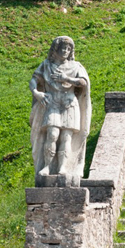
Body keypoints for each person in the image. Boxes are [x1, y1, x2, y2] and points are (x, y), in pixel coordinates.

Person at [29, 36, 91, 185]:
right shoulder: (46, 65)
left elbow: (83, 82)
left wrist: (67, 79)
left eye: (68, 49)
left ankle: (63, 167)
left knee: (66, 137)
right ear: (55, 49)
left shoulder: (76, 66)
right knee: (52, 134)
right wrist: (36, 93)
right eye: (63, 48)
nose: (65, 51)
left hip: (69, 103)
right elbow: (34, 80)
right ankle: (47, 166)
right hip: (52, 102)